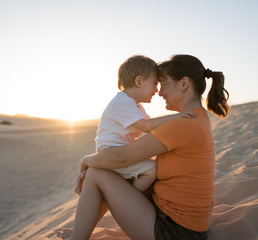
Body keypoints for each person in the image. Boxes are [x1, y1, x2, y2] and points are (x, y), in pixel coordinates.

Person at [60, 54, 230, 240]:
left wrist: (85, 161)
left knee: (96, 172)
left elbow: (121, 158)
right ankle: (81, 230)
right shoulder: (198, 117)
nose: (160, 92)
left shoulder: (182, 124)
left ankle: (78, 236)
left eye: (163, 84)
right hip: (180, 221)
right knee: (105, 171)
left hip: (174, 232)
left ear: (184, 84)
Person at [95, 55, 195, 192]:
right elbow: (147, 126)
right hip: (112, 153)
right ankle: (129, 197)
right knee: (152, 170)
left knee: (152, 164)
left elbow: (151, 125)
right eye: (155, 83)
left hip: (121, 151)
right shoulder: (122, 102)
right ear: (139, 81)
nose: (156, 90)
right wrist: (177, 117)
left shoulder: (134, 104)